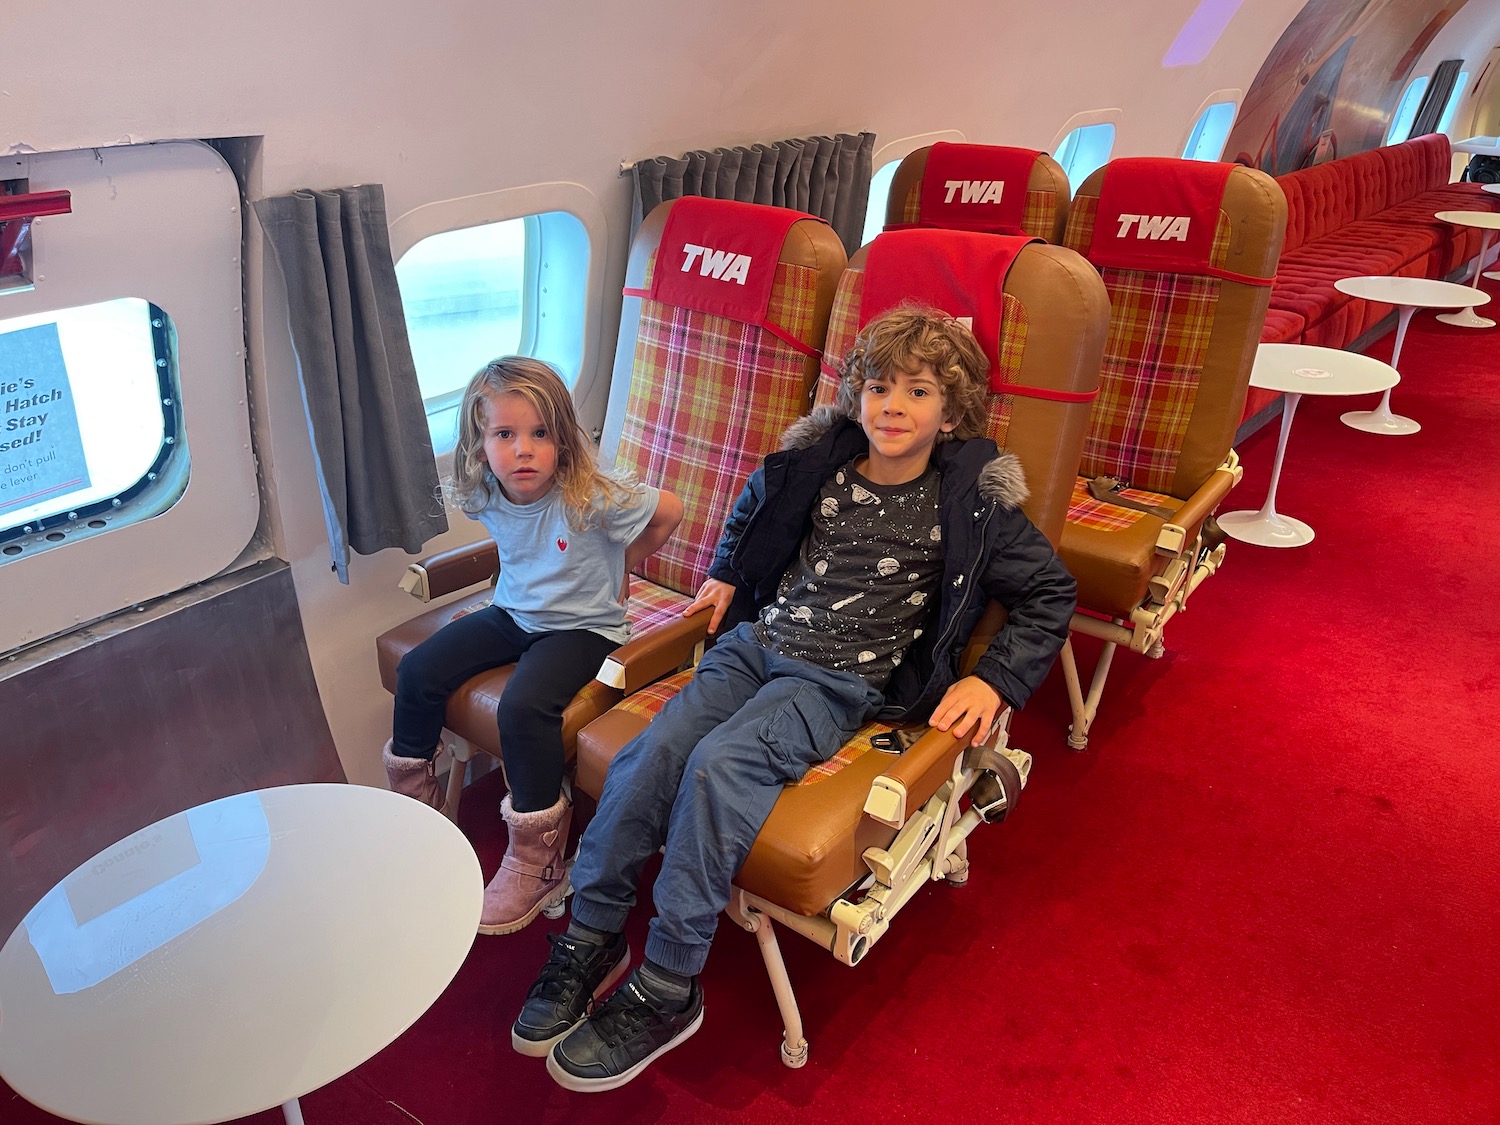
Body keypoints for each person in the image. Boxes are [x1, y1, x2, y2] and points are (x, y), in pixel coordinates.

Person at [510, 307, 1077, 1091]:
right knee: (653, 754)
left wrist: (994, 677)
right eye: (878, 386)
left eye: (918, 392)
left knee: (717, 767)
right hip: (754, 647)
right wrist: (731, 571)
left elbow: (1051, 592)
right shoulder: (819, 462)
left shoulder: (969, 498)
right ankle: (593, 931)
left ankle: (672, 981)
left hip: (837, 682)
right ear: (855, 394)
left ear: (953, 409)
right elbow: (754, 506)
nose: (893, 407)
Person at [385, 357, 682, 936]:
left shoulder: (590, 496)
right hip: (513, 614)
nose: (523, 450)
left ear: (563, 441)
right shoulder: (485, 494)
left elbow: (668, 510)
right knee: (419, 670)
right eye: (504, 434)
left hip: (583, 627)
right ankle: (416, 808)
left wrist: (624, 562)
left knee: (524, 708)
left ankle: (539, 862)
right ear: (479, 443)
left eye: (540, 434)